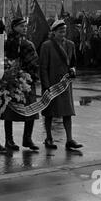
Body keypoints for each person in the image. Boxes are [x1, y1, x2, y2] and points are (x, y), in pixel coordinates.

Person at [39, 20, 83, 150]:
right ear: (53, 32)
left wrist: (73, 70)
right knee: (49, 112)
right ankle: (48, 138)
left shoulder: (71, 44)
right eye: (60, 31)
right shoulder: (46, 46)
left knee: (67, 111)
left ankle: (69, 139)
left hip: (65, 83)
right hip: (51, 83)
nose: (63, 33)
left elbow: (73, 62)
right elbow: (43, 67)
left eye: (64, 31)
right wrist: (46, 85)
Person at [4, 18, 40, 151]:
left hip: (27, 80)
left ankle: (27, 138)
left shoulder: (28, 42)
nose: (24, 28)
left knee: (30, 109)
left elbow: (34, 61)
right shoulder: (8, 43)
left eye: (25, 26)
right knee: (10, 111)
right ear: (14, 27)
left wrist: (32, 75)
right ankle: (9, 140)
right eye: (21, 26)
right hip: (12, 80)